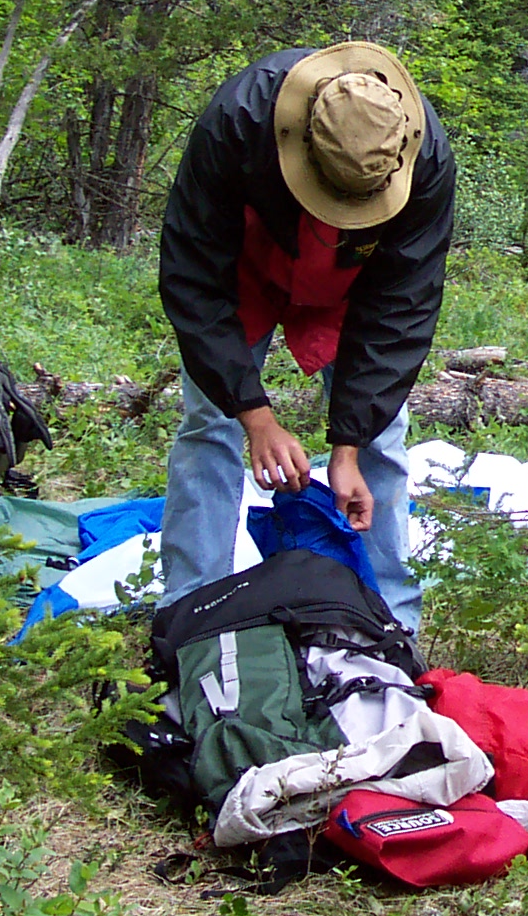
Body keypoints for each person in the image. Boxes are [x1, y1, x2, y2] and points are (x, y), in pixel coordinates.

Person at [157, 42, 455, 633]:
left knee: (381, 446)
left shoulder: (427, 162)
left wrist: (346, 447)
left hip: (349, 279)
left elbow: (399, 311)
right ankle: (192, 617)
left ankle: (393, 622)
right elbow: (193, 275)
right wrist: (254, 415)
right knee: (209, 426)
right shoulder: (236, 123)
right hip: (243, 268)